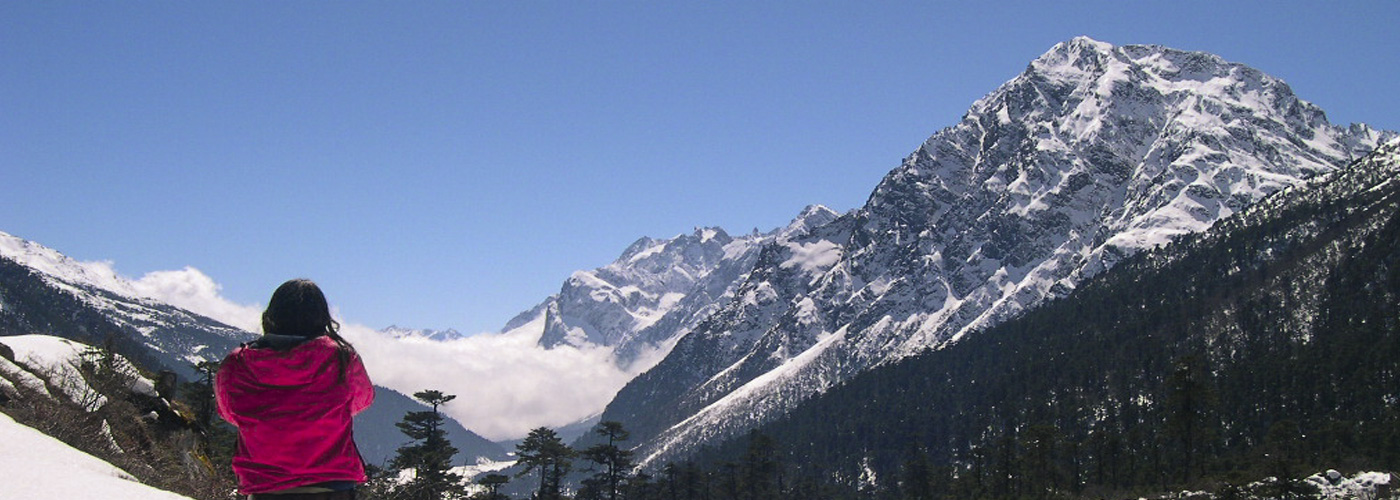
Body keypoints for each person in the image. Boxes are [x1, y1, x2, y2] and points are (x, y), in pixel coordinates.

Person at [216, 279, 375, 499]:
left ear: (271, 315)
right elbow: (362, 399)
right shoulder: (341, 358)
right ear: (322, 316)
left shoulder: (238, 363)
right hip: (331, 486)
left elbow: (230, 412)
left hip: (265, 487)